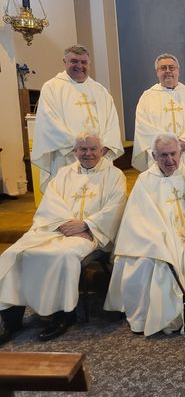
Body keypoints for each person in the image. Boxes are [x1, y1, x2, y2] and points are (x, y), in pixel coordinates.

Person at [0, 133, 126, 344]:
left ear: (102, 151)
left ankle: (63, 315)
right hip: (56, 228)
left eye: (93, 149)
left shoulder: (114, 175)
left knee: (62, 255)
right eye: (83, 149)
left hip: (91, 233)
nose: (88, 154)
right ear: (74, 152)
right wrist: (63, 224)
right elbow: (50, 203)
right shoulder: (63, 174)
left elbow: (116, 207)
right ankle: (12, 319)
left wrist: (87, 224)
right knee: (15, 253)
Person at [105, 133, 185, 336]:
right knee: (147, 263)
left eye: (173, 154)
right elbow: (137, 220)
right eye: (163, 155)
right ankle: (152, 318)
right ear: (154, 156)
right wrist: (160, 241)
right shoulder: (145, 181)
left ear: (180, 153)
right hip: (153, 240)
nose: (170, 160)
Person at [32, 45, 123, 191]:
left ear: (89, 64)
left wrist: (102, 147)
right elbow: (49, 122)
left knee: (100, 196)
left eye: (83, 62)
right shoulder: (52, 88)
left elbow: (112, 122)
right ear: (65, 62)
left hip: (99, 157)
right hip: (68, 156)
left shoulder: (100, 90)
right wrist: (81, 149)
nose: (79, 66)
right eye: (74, 61)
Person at [132, 53, 185, 189]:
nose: (168, 71)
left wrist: (183, 144)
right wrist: (169, 149)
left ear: (178, 71)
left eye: (171, 67)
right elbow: (144, 128)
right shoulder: (147, 98)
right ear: (157, 72)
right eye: (163, 68)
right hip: (162, 160)